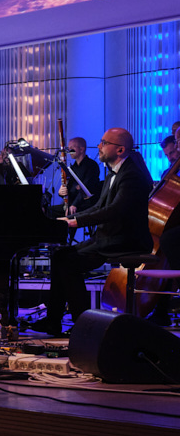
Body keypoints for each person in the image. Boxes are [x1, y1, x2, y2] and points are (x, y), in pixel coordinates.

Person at [27, 127, 153, 336]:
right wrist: (71, 219)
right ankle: (53, 321)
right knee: (60, 255)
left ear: (120, 150)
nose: (99, 146)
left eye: (104, 143)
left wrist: (76, 222)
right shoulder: (114, 173)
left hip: (125, 239)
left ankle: (84, 326)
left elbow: (114, 211)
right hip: (109, 236)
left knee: (68, 262)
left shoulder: (132, 175)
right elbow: (99, 206)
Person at [62, 136, 102, 209]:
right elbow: (70, 187)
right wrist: (62, 192)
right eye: (69, 148)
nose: (69, 151)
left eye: (72, 148)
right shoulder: (73, 168)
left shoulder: (92, 165)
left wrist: (74, 205)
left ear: (81, 149)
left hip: (86, 204)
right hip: (72, 203)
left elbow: (86, 187)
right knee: (50, 210)